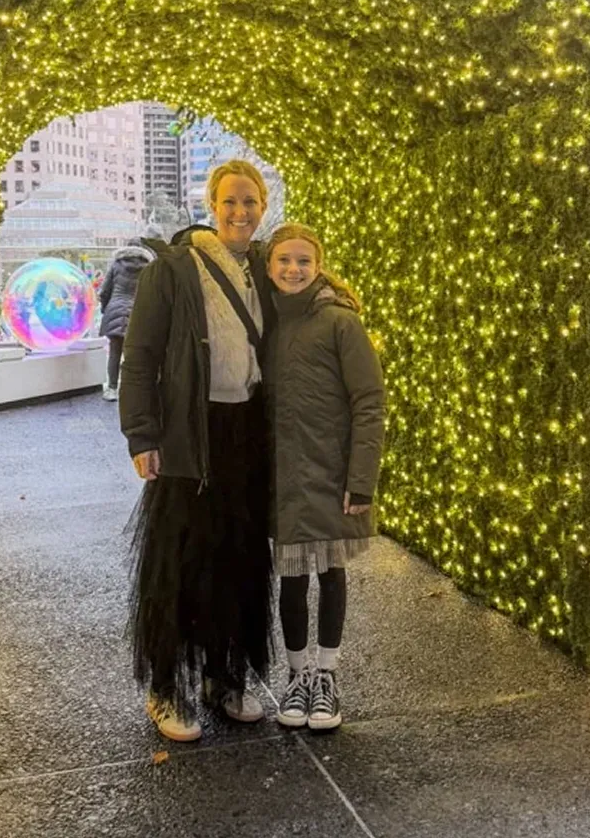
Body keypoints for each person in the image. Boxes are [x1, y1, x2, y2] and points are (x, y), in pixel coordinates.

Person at [119, 159, 274, 742]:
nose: (240, 213)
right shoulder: (174, 270)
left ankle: (224, 675)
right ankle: (165, 688)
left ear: (263, 208)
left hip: (246, 434)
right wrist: (142, 435)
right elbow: (140, 357)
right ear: (211, 204)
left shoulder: (264, 265)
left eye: (250, 203)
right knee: (178, 566)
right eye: (230, 201)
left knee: (237, 561)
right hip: (190, 435)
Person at [265, 223, 385, 731]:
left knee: (330, 574)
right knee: (291, 579)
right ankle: (296, 676)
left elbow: (369, 401)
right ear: (269, 266)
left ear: (318, 265)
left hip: (330, 471)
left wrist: (362, 478)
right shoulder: (264, 320)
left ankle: (327, 678)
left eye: (303, 261)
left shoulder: (340, 322)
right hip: (281, 474)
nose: (294, 270)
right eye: (284, 261)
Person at [98, 239, 156, 402]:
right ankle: (136, 390)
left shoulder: (117, 264)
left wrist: (105, 309)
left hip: (115, 308)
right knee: (135, 354)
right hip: (137, 313)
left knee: (115, 352)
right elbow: (152, 294)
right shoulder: (150, 267)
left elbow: (104, 291)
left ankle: (112, 389)